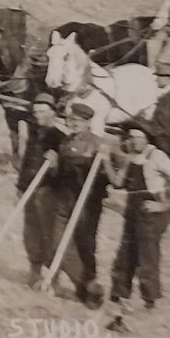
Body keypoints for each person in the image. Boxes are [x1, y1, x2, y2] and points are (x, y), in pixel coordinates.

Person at [105, 125, 170, 314]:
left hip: (150, 212)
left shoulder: (156, 156)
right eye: (133, 137)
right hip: (132, 210)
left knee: (147, 256)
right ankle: (120, 295)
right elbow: (118, 183)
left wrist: (164, 205)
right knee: (125, 253)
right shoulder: (131, 157)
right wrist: (105, 161)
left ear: (147, 138)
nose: (136, 141)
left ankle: (149, 301)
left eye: (140, 137)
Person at [49, 102, 108, 307]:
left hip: (87, 203)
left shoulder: (97, 143)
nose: (72, 123)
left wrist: (100, 163)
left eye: (77, 120)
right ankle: (88, 285)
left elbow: (112, 175)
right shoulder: (65, 142)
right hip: (64, 200)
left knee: (85, 245)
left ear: (87, 122)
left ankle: (87, 293)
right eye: (70, 119)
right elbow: (59, 174)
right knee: (58, 243)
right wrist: (54, 164)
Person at [18, 93, 68, 288]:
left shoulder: (60, 137)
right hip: (28, 187)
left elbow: (65, 172)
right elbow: (25, 162)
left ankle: (53, 275)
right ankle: (34, 270)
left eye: (42, 111)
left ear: (52, 113)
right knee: (30, 230)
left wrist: (56, 165)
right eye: (35, 111)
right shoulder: (32, 132)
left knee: (49, 231)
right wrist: (20, 187)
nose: (37, 115)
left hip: (48, 190)